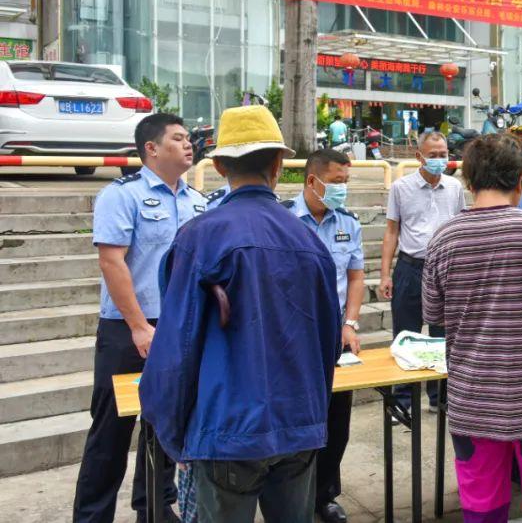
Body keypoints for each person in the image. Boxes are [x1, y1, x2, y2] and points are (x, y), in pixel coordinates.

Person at [139, 105, 341, 522]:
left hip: (226, 431)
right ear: (279, 164)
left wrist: (176, 437)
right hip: (297, 428)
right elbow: (328, 343)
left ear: (217, 166)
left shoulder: (199, 238)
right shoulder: (309, 240)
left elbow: (175, 349)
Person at [422, 134, 522, 523]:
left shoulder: (443, 238)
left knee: (482, 509)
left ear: (468, 180)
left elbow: (434, 313)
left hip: (473, 402)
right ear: (519, 179)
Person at [73, 112, 206, 523]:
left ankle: (154, 507)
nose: (189, 146)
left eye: (189, 140)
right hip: (126, 329)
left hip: (178, 328)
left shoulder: (197, 201)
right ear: (151, 148)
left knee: (168, 424)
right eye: (179, 139)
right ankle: (93, 516)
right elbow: (113, 263)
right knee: (111, 432)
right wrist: (137, 326)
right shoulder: (122, 195)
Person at [281, 149, 365, 523]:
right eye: (335, 182)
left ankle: (323, 496)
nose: (341, 190)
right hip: (291, 335)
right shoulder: (282, 219)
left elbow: (356, 276)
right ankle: (286, 497)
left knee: (337, 423)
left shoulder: (348, 222)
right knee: (296, 421)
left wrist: (351, 323)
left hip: (335, 336)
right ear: (311, 181)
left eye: (345, 182)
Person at [380, 131, 467, 417]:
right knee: (406, 335)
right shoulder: (401, 188)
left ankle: (439, 398)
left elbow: (460, 229)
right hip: (410, 267)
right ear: (419, 156)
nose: (439, 160)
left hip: (446, 271)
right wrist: (385, 274)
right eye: (433, 155)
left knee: (444, 337)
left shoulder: (455, 188)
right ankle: (402, 403)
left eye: (443, 154)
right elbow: (391, 232)